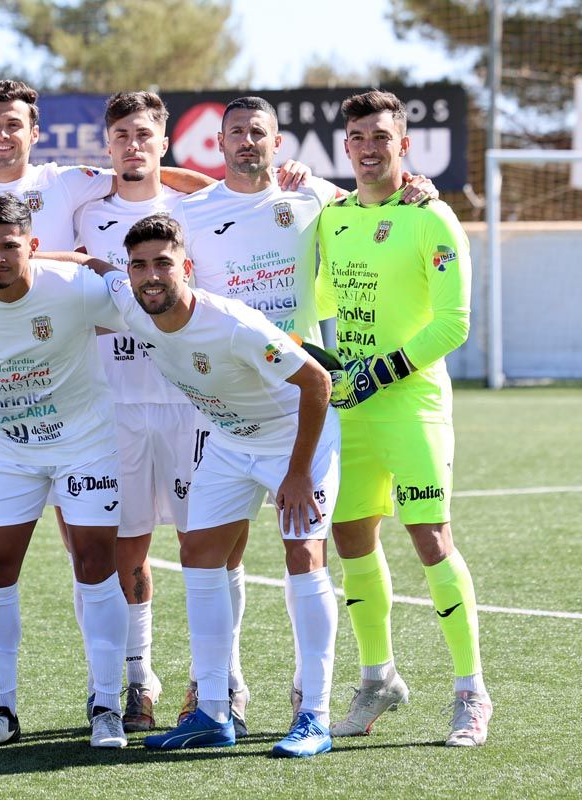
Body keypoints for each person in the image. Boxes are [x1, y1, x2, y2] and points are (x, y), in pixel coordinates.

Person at [0, 79, 214, 732]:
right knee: (41, 551)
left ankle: (148, 688)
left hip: (121, 397)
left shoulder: (71, 183)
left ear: (38, 132)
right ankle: (25, 693)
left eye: (16, 124)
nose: (4, 135)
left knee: (146, 549)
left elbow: (138, 187)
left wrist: (30, 258)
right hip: (12, 399)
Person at [174, 96, 436, 732]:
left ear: (278, 141)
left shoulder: (316, 196)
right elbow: (138, 197)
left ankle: (306, 700)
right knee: (215, 551)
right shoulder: (191, 210)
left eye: (257, 132)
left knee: (305, 552)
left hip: (303, 402)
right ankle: (221, 692)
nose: (245, 143)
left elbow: (377, 194)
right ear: (219, 142)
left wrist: (418, 190)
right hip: (227, 410)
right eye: (234, 133)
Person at [80, 213, 340, 757]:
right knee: (199, 554)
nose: (150, 276)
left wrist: (295, 473)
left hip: (295, 440)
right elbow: (91, 263)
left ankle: (314, 715)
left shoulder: (233, 324)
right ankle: (213, 711)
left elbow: (317, 382)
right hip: (227, 440)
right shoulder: (132, 301)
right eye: (140, 265)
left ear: (187, 268)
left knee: (303, 556)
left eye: (163, 264)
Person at [315, 89, 490, 747]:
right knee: (352, 540)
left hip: (411, 405)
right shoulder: (333, 218)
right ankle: (376, 678)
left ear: (403, 143)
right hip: (349, 410)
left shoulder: (433, 218)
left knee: (429, 540)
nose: (368, 148)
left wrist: (377, 373)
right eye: (357, 137)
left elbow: (454, 323)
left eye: (380, 137)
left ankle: (471, 691)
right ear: (346, 145)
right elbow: (321, 294)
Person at [0, 194, 131, 750]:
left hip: (84, 447)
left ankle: (108, 704)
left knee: (95, 564)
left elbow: (139, 300)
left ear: (34, 247)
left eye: (9, 247)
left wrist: (88, 261)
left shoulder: (75, 290)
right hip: (11, 453)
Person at [72, 91, 196, 733]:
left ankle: (215, 682)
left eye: (144, 134)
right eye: (121, 134)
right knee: (128, 553)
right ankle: (136, 679)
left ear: (163, 141)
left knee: (213, 548)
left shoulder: (194, 207)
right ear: (108, 144)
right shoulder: (85, 212)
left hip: (189, 400)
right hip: (112, 404)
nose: (132, 145)